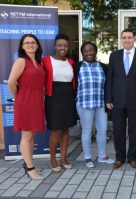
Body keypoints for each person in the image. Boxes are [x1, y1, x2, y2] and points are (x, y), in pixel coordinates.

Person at [106, 29, 136, 169]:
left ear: (134, 38)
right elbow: (110, 78)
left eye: (129, 37)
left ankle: (133, 158)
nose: (127, 40)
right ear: (121, 39)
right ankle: (119, 158)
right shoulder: (114, 56)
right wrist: (109, 99)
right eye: (124, 37)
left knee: (135, 130)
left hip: (135, 101)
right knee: (118, 130)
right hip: (117, 100)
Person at [8, 34, 45, 180]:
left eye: (33, 42)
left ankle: (29, 164)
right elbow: (11, 82)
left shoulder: (38, 62)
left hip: (36, 101)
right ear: (22, 46)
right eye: (27, 43)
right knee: (27, 135)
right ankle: (30, 168)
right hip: (25, 100)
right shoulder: (20, 61)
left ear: (37, 45)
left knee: (32, 135)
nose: (30, 45)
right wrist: (19, 96)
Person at [75, 41, 114, 168]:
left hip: (100, 103)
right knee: (87, 130)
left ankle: (102, 156)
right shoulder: (77, 66)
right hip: (84, 103)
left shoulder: (103, 67)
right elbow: (73, 85)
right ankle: (87, 157)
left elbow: (108, 85)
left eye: (91, 50)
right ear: (82, 53)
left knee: (102, 130)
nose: (88, 53)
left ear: (95, 51)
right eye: (85, 51)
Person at [43, 33, 77, 172]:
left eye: (65, 45)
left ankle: (63, 158)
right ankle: (52, 158)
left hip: (68, 98)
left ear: (68, 48)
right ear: (55, 46)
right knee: (56, 130)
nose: (62, 47)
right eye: (60, 45)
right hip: (53, 98)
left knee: (65, 129)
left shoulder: (71, 62)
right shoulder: (46, 60)